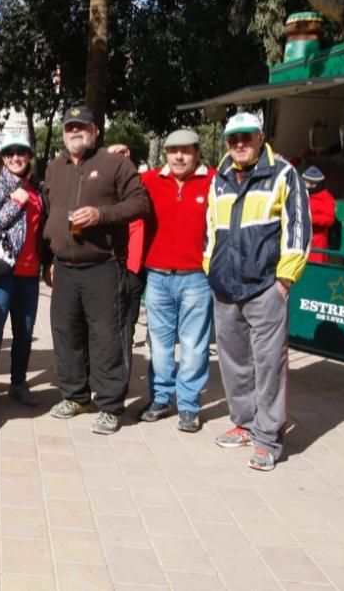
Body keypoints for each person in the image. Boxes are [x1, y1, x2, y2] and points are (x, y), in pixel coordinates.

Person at [205, 112, 311, 471]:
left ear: (260, 137)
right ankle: (244, 423)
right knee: (234, 363)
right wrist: (211, 269)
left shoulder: (283, 173)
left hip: (266, 287)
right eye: (232, 139)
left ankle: (268, 438)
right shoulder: (218, 179)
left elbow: (298, 229)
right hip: (225, 289)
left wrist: (284, 282)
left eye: (246, 137)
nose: (239, 144)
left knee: (268, 366)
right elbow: (210, 229)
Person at [43, 104, 149, 435]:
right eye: (70, 127)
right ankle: (75, 396)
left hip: (103, 266)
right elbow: (50, 210)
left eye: (82, 127)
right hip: (64, 266)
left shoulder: (114, 164)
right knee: (65, 332)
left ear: (95, 131)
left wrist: (102, 214)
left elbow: (140, 203)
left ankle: (110, 405)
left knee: (106, 337)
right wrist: (52, 254)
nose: (75, 132)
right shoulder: (54, 167)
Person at [137, 129, 216, 433]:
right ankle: (160, 399)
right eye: (173, 151)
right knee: (159, 345)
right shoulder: (150, 180)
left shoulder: (213, 181)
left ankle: (188, 406)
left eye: (186, 150)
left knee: (195, 347)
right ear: (166, 154)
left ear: (197, 152)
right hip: (157, 276)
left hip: (197, 277)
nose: (179, 156)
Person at [0, 134, 45, 418]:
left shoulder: (37, 188)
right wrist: (15, 204)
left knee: (24, 333)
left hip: (30, 272)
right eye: (10, 153)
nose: (16, 157)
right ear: (3, 157)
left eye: (22, 153)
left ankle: (18, 383)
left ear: (29, 156)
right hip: (1, 270)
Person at [107, 144, 146, 389]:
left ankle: (120, 385)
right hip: (106, 270)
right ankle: (101, 382)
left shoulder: (141, 187)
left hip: (133, 271)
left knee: (126, 331)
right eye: (114, 155)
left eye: (125, 153)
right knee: (103, 330)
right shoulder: (100, 190)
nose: (121, 158)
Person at [303, 166, 335, 264]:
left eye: (310, 182)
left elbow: (329, 219)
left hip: (317, 243)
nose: (307, 184)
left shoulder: (326, 198)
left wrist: (310, 218)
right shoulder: (301, 194)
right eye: (306, 181)